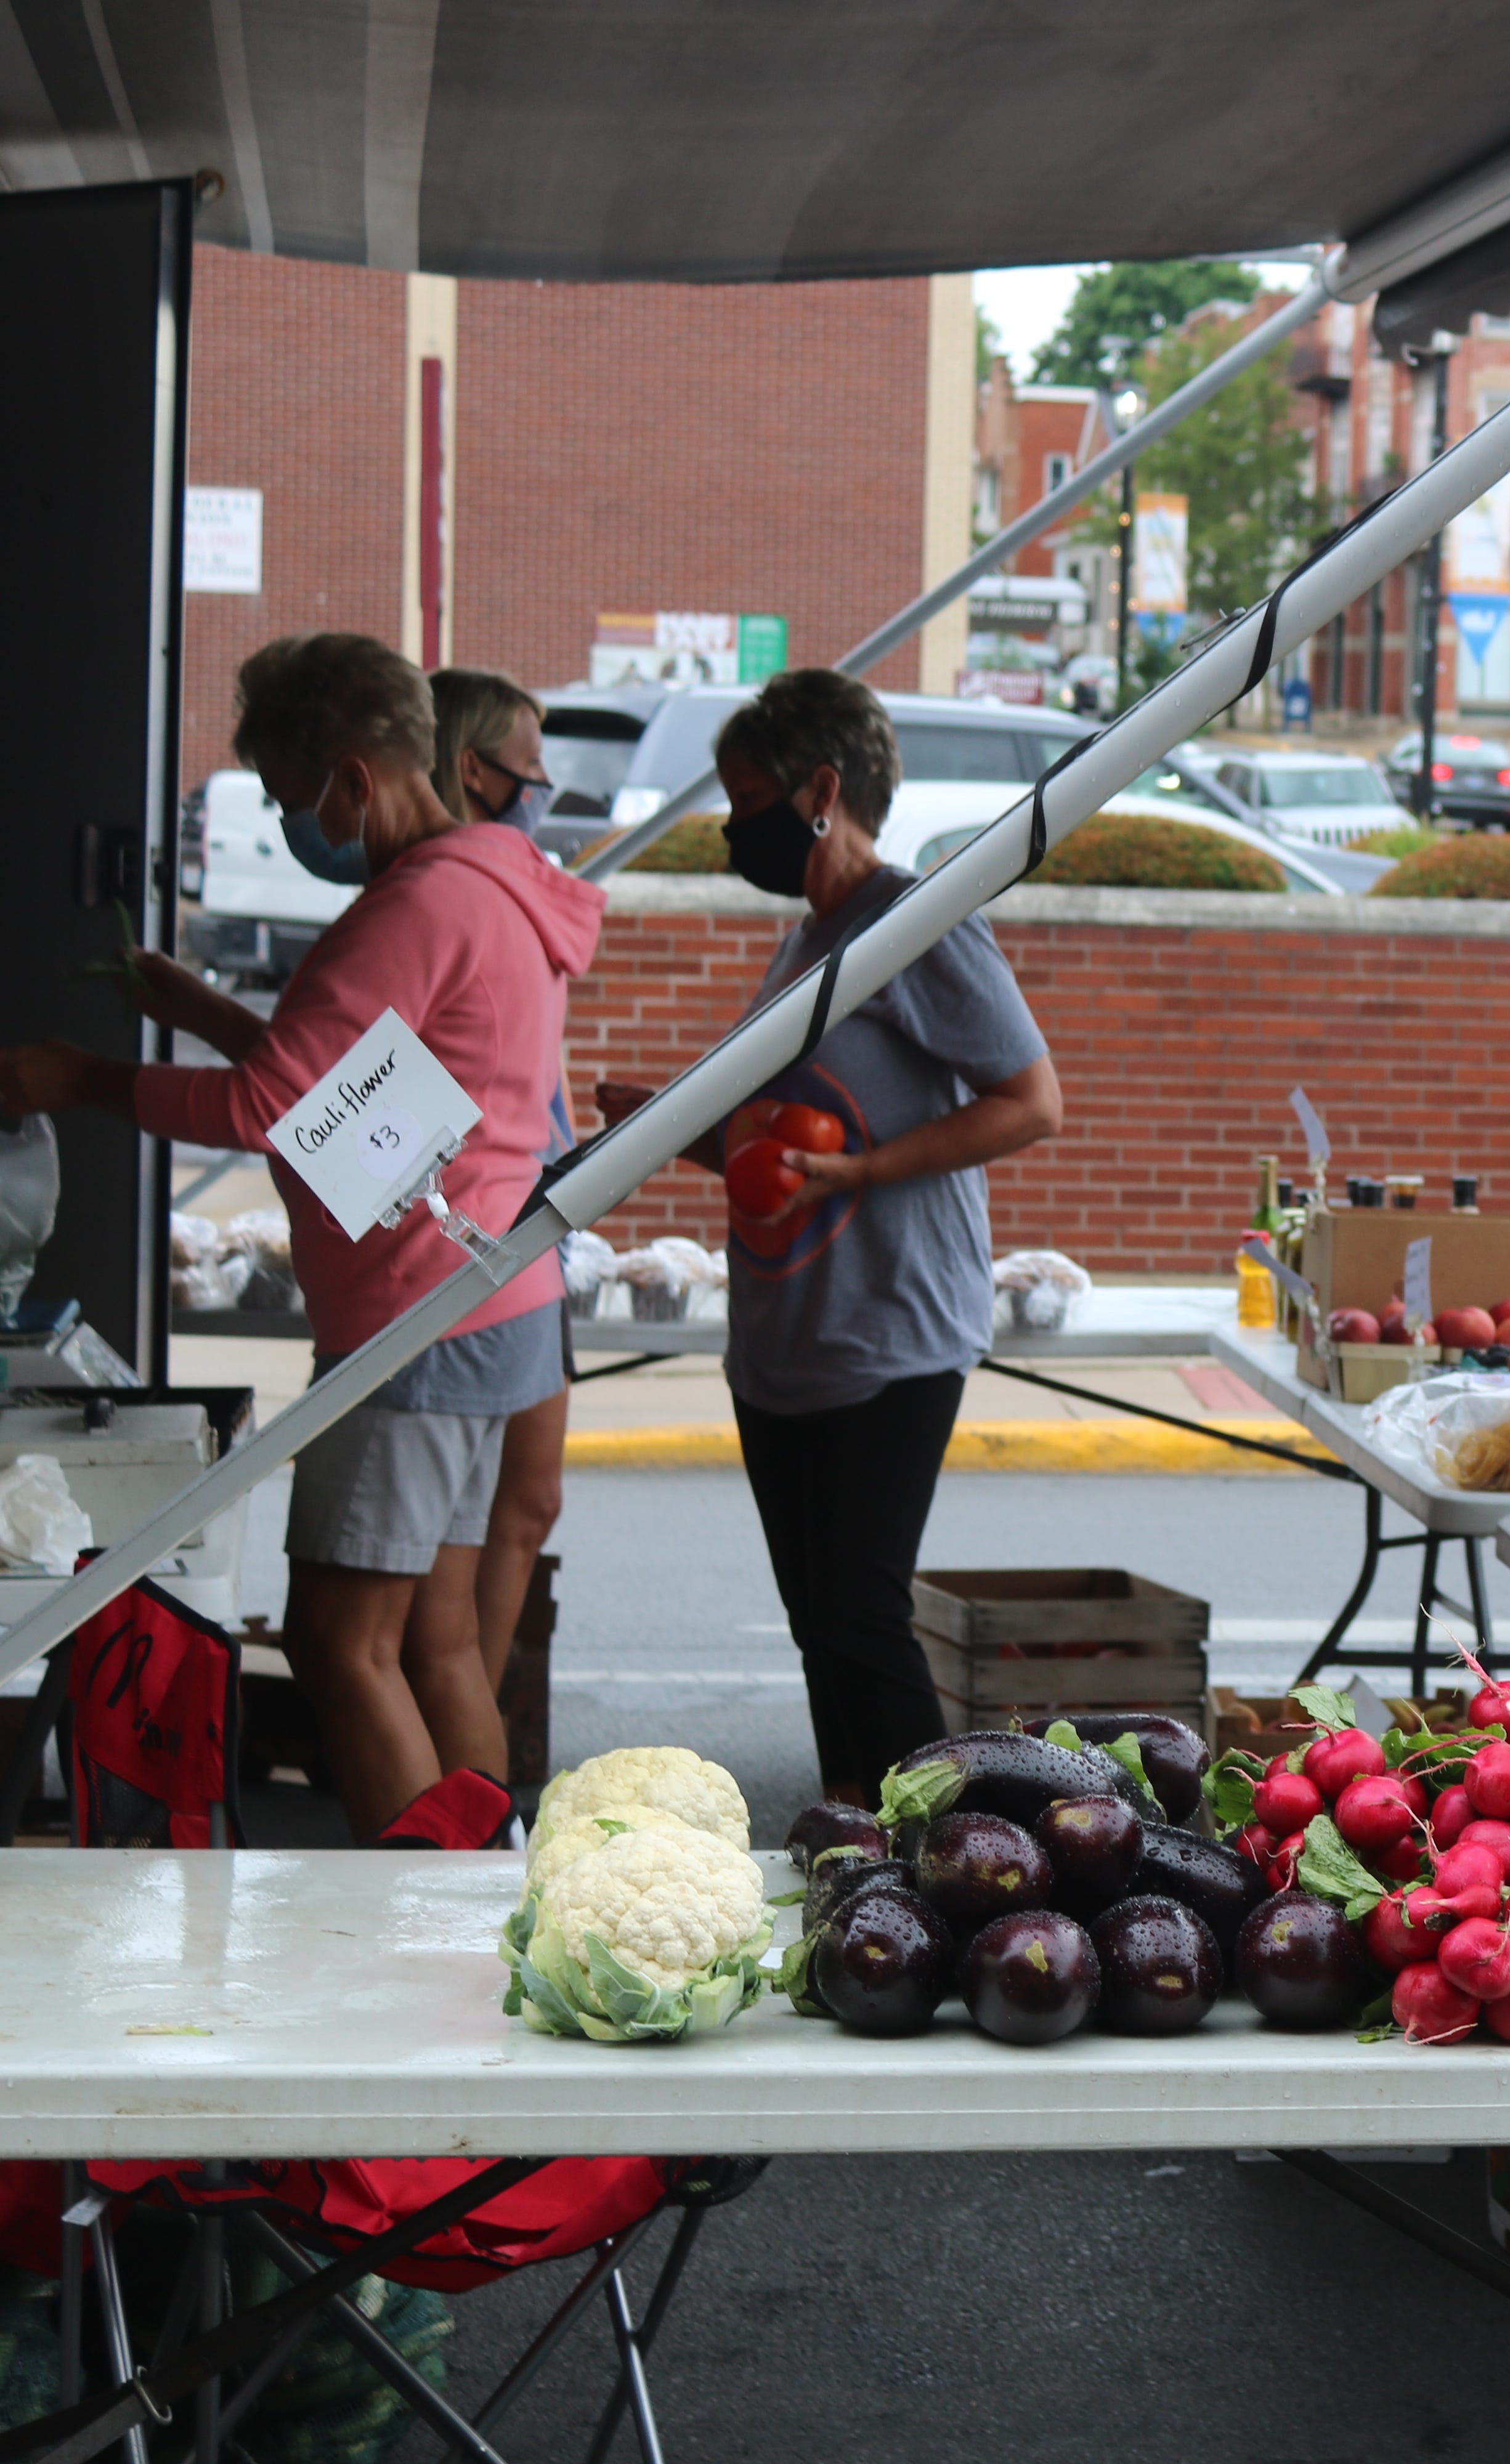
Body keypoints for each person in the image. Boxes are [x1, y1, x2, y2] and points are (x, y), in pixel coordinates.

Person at [0, 634, 602, 1841]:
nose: (293, 824)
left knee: (341, 1640)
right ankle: (488, 1891)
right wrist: (213, 1014)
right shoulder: (497, 880)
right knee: (438, 1640)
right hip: (495, 1292)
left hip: (414, 1316)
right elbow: (359, 1091)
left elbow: (269, 1109)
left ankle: (426, 1909)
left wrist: (80, 1077)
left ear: (353, 778)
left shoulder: (411, 905)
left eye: (290, 797)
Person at [597, 671, 1061, 1805]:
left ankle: (954, 1854)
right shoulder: (810, 939)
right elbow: (786, 1152)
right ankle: (860, 1846)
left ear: (820, 789)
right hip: (787, 1343)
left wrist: (862, 1172)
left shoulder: (916, 925)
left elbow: (1030, 1102)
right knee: (822, 1623)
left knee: (860, 1615)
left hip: (886, 1333)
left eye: (747, 799)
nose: (731, 827)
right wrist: (663, 1130)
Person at [426, 668, 575, 1699]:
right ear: (473, 770)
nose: (545, 785)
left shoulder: (522, 890)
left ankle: (471, 1717)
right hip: (467, 1245)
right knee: (461, 1536)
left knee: (528, 1504)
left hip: (534, 1226)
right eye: (530, 764)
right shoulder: (440, 901)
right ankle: (463, 1724)